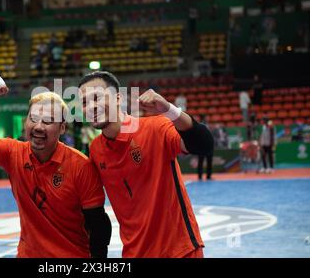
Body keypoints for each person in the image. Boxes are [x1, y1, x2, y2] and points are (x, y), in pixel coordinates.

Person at [0, 73, 111, 258]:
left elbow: (98, 227)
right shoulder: (13, 153)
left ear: (62, 128)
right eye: (33, 118)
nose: (38, 126)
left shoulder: (81, 166)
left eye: (48, 121)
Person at [78, 71, 213, 258]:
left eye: (97, 98)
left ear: (118, 98)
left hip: (179, 251)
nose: (91, 106)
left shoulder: (155, 128)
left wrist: (169, 109)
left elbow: (204, 145)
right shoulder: (95, 150)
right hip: (134, 253)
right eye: (84, 102)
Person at [197, 115, 213, 181]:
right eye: (206, 117)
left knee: (209, 161)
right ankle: (200, 176)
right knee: (201, 161)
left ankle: (208, 176)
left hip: (209, 146)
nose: (208, 118)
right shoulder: (200, 125)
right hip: (202, 146)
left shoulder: (208, 126)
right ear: (203, 118)